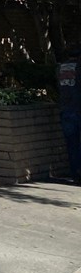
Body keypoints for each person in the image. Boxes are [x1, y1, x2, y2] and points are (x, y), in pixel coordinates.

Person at [57, 47, 81, 185]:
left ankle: (75, 174)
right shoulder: (79, 67)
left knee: (72, 144)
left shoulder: (60, 68)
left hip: (66, 110)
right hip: (78, 109)